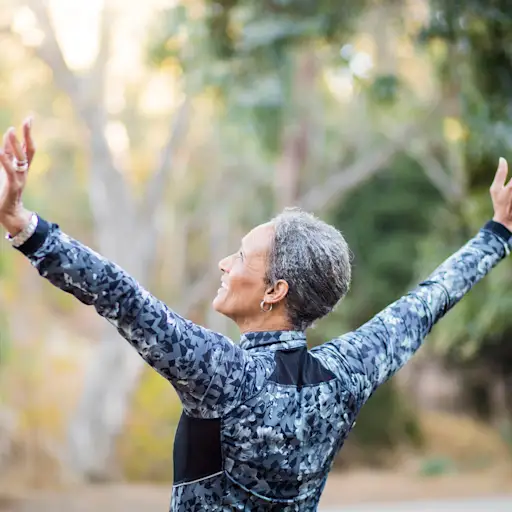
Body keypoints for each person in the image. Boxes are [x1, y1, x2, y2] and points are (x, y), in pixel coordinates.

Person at [0, 119, 511, 512]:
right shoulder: (348, 373)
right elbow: (428, 302)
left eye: (241, 256)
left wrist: (24, 225)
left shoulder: (222, 376)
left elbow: (121, 295)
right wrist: (497, 234)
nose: (225, 263)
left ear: (274, 290)